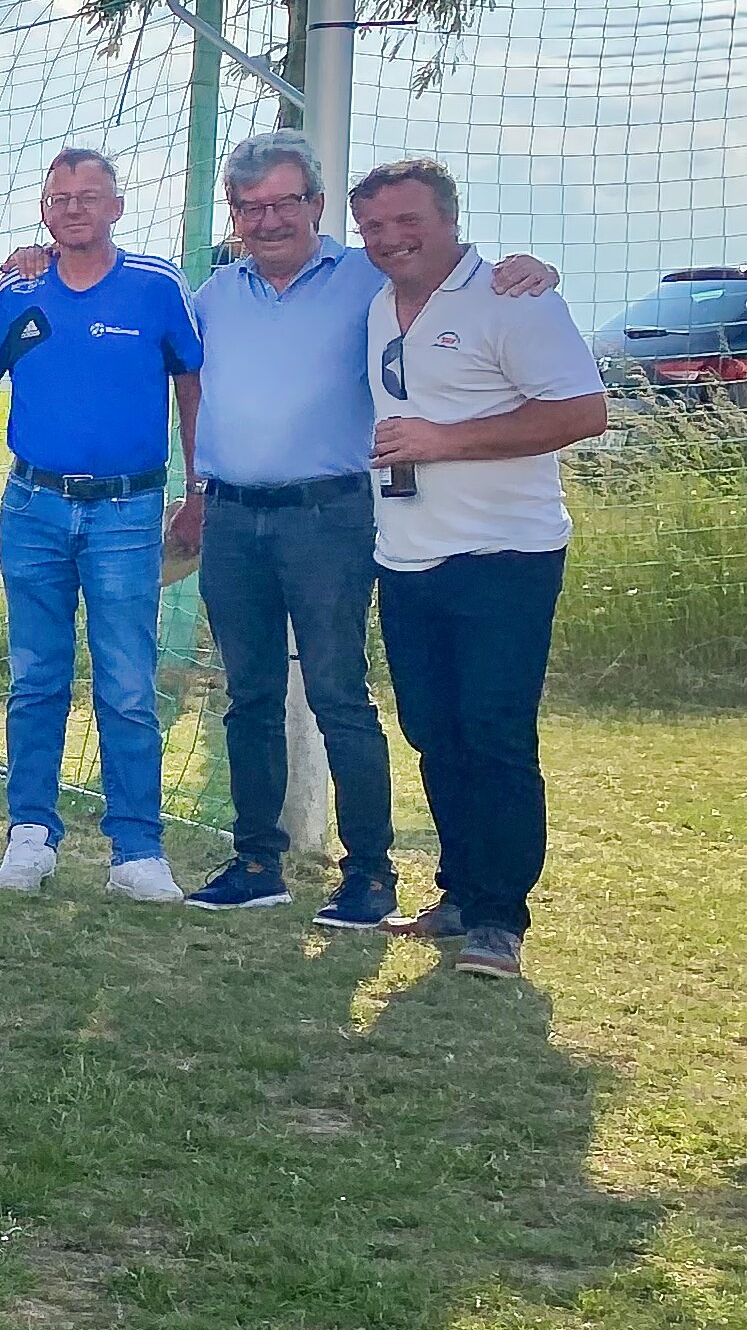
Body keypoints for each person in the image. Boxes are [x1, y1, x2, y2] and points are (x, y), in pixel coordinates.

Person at [153, 130, 557, 924]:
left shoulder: (366, 275)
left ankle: (368, 874)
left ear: (314, 204)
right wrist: (196, 491)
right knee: (247, 696)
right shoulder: (214, 294)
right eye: (248, 207)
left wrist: (531, 270)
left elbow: (446, 271)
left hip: (331, 516)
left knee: (338, 695)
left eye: (282, 202)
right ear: (232, 216)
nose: (267, 220)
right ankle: (255, 861)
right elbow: (190, 386)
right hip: (231, 517)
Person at [354, 158, 606, 981]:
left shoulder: (512, 297)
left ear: (449, 219)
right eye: (373, 226)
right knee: (434, 732)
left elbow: (582, 411)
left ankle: (500, 919)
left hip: (503, 556)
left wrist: (442, 441)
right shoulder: (376, 303)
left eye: (407, 220)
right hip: (406, 556)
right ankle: (459, 893)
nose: (390, 238)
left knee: (495, 735)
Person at [0, 148, 201, 902]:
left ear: (116, 207)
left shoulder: (155, 286)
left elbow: (192, 383)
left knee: (127, 684)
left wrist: (198, 488)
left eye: (88, 196)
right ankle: (30, 836)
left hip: (127, 513)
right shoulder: (21, 290)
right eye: (59, 198)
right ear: (44, 210)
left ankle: (137, 851)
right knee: (36, 679)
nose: (73, 209)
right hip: (32, 508)